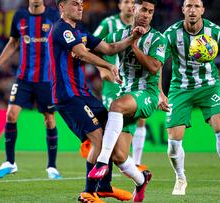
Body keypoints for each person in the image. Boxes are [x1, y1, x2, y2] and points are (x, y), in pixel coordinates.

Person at [52, 0, 145, 202]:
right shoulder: (61, 29)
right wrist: (108, 66)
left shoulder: (80, 32)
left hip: (83, 94)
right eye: (75, 3)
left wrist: (133, 38)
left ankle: (104, 187)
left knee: (109, 134)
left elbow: (110, 48)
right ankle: (88, 191)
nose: (80, 7)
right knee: (98, 139)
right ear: (61, 7)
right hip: (68, 96)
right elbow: (81, 52)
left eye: (81, 4)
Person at [158, 0, 220, 196]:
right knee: (173, 143)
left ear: (203, 10)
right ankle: (180, 179)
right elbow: (158, 61)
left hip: (208, 86)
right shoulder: (171, 34)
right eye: (188, 6)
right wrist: (160, 92)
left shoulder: (214, 31)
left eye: (196, 6)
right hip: (180, 88)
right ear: (182, 10)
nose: (192, 10)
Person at [88, 0, 167, 201]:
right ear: (134, 9)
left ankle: (101, 162)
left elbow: (154, 68)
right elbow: (99, 49)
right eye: (143, 10)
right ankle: (141, 180)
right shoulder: (116, 34)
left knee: (115, 105)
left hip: (146, 95)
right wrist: (106, 67)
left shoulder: (158, 38)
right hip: (125, 93)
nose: (147, 15)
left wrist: (133, 43)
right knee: (120, 156)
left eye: (150, 12)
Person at [0, 0, 62, 179]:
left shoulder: (53, 16)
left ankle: (52, 167)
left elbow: (61, 41)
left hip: (46, 79)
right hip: (24, 77)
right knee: (11, 114)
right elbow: (13, 42)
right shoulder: (20, 16)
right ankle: (10, 162)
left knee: (49, 119)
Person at [90, 0, 148, 171]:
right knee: (111, 120)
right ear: (119, 5)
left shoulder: (142, 27)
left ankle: (136, 162)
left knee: (140, 119)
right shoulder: (109, 23)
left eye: (132, 2)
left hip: (135, 82)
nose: (130, 5)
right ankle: (107, 160)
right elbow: (91, 46)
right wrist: (101, 67)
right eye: (126, 1)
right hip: (113, 82)